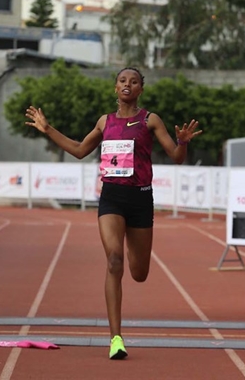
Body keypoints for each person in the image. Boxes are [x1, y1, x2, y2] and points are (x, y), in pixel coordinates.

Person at [24, 67, 202, 360]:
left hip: (141, 199)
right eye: (122, 81)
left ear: (141, 89)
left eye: (133, 81)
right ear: (115, 88)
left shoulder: (149, 120)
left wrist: (182, 141)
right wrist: (48, 129)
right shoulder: (105, 121)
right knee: (113, 260)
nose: (127, 85)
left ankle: (133, 252)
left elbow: (176, 157)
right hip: (111, 199)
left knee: (139, 273)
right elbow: (80, 150)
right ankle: (116, 338)